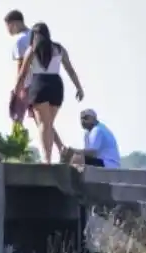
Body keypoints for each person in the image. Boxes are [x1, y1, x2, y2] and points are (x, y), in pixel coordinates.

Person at [14, 22, 85, 164]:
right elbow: (70, 70)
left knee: (43, 124)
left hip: (39, 84)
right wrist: (79, 87)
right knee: (49, 124)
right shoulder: (59, 49)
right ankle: (50, 156)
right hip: (56, 85)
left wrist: (17, 92)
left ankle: (47, 158)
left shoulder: (32, 50)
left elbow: (22, 74)